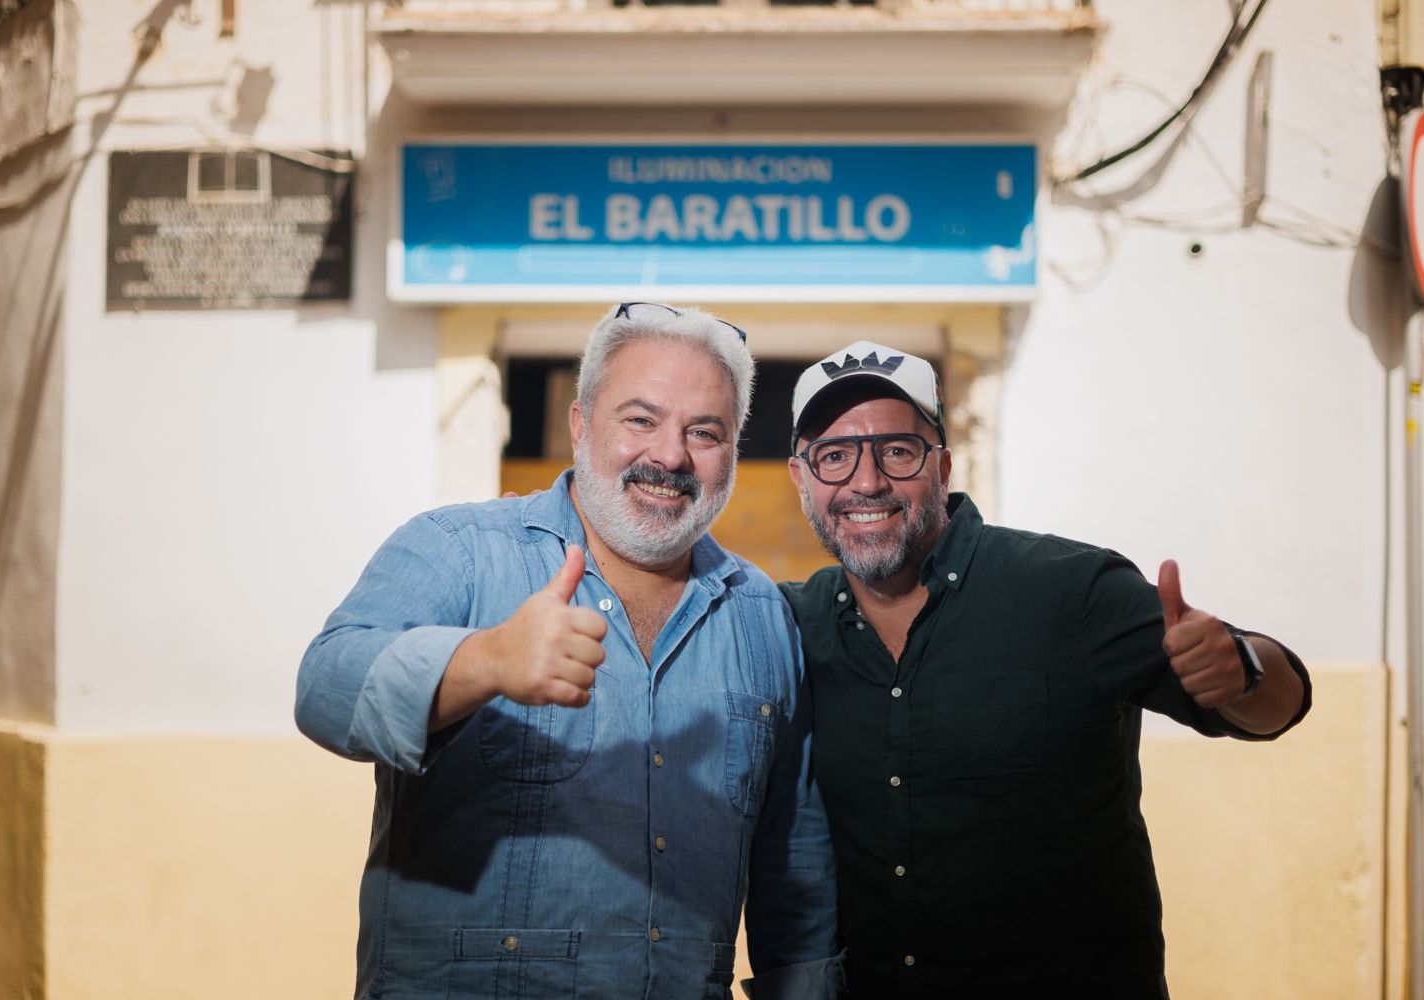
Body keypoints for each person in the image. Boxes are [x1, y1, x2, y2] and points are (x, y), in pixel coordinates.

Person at [295, 303, 842, 1000]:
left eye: (704, 432)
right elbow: (324, 688)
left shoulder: (763, 616)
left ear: (732, 453)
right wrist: (484, 661)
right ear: (579, 424)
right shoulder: (460, 551)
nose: (670, 456)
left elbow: (793, 868)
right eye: (640, 419)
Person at [779, 341, 1312, 999]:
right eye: (834, 457)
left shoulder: (1073, 592)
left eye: (897, 450)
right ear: (801, 480)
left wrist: (1245, 671)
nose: (866, 482)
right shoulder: (789, 628)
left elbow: (1278, 707)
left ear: (942, 467)